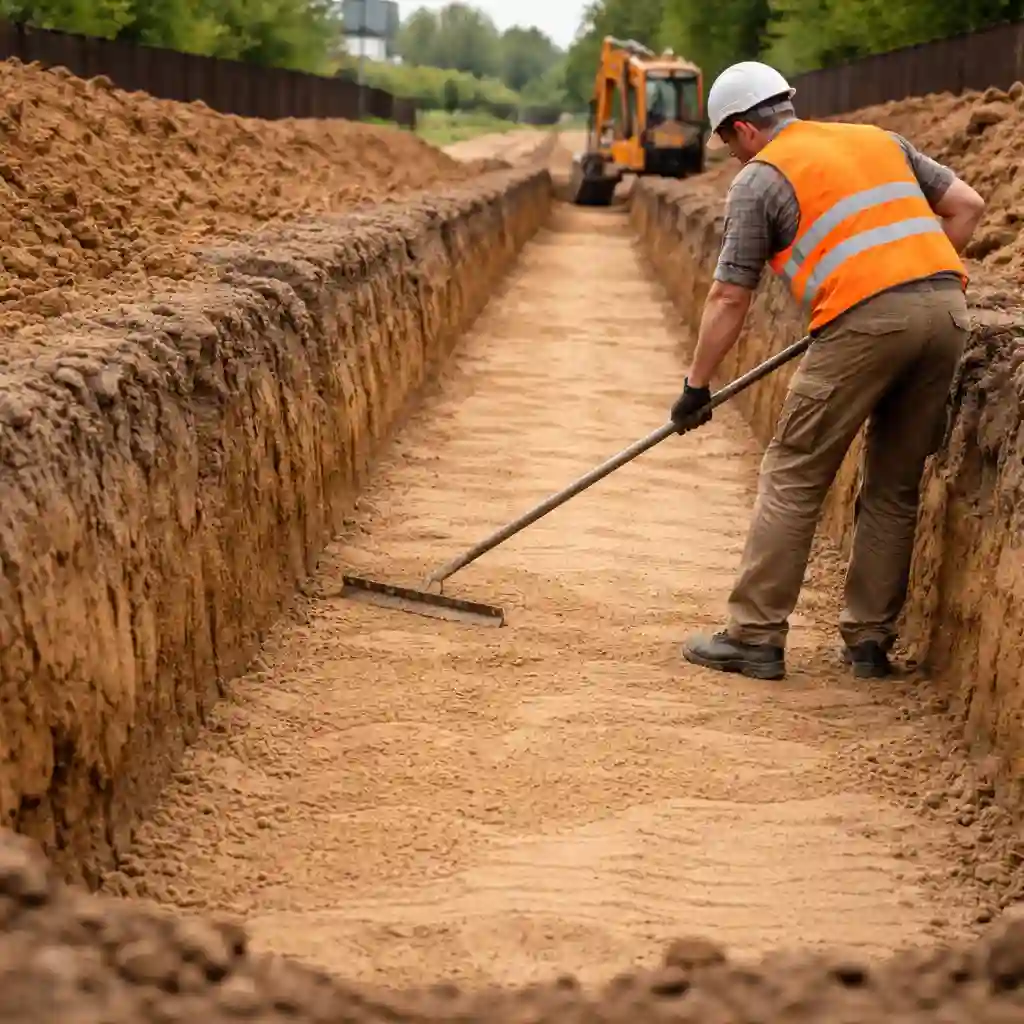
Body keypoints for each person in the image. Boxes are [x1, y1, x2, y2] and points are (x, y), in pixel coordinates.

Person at [669, 61, 985, 681]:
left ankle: (755, 635)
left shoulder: (760, 178)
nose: (731, 155)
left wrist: (696, 386)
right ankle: (869, 641)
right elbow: (967, 207)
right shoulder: (879, 140)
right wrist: (910, 282)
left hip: (867, 324)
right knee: (894, 483)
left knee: (794, 471)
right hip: (949, 312)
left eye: (728, 141)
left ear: (744, 128)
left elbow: (730, 297)